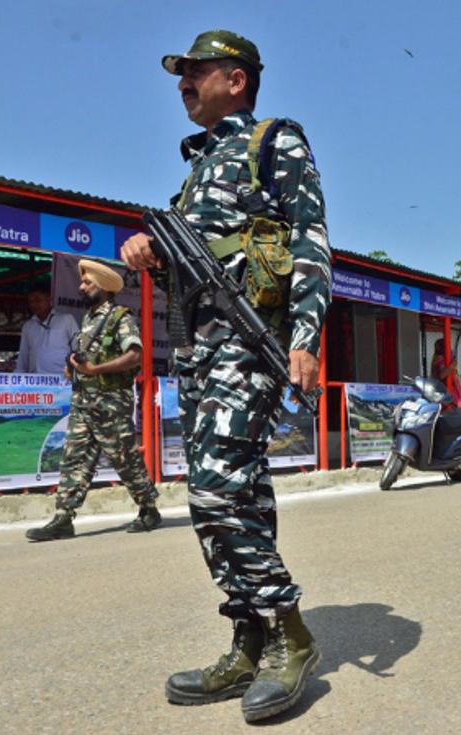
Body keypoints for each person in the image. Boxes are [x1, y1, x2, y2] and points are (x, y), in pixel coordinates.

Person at [120, 30, 331, 723]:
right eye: (181, 74)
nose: (184, 83)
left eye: (196, 71)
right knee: (236, 496)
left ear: (235, 80)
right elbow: (191, 258)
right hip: (199, 352)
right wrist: (150, 249)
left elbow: (310, 240)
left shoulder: (273, 141)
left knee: (215, 490)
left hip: (250, 344)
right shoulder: (197, 166)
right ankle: (250, 639)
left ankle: (291, 634)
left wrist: (306, 337)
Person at [25, 259, 161, 542]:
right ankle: (63, 518)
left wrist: (95, 370)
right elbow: (89, 357)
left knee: (124, 458)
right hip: (83, 401)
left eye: (88, 282)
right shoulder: (88, 319)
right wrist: (73, 368)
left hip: (111, 403)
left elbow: (134, 355)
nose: (81, 287)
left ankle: (149, 508)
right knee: (73, 459)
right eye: (82, 281)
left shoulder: (120, 317)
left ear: (105, 287)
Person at [14, 282, 79, 375]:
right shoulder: (28, 326)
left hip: (61, 378)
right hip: (35, 379)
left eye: (38, 300)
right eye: (31, 302)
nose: (34, 305)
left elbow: (77, 348)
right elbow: (23, 356)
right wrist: (17, 376)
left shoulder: (66, 320)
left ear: (49, 299)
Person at [432, 338, 461, 407]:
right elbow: (442, 375)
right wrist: (452, 366)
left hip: (449, 390)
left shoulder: (440, 358)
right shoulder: (441, 359)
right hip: (448, 391)